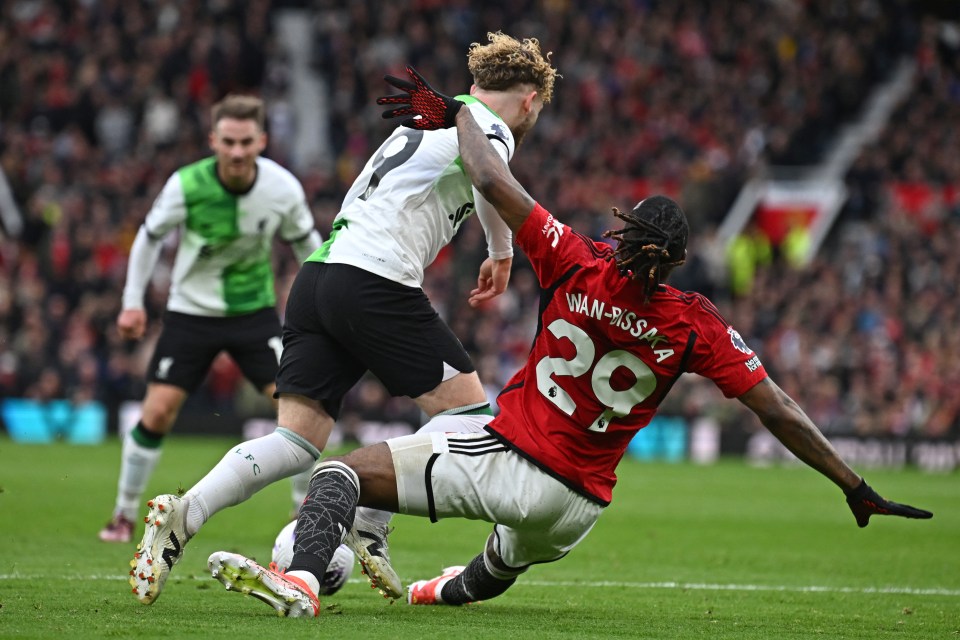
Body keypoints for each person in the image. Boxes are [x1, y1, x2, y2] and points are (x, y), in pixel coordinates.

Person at [203, 67, 933, 618]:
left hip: (512, 460)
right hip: (581, 505)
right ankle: (427, 594)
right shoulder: (695, 320)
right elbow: (774, 407)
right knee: (490, 570)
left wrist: (460, 107)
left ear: (623, 235)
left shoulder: (575, 257)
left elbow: (488, 174)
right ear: (674, 261)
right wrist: (853, 484)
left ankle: (300, 578)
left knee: (337, 476)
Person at [129, 34, 559, 605]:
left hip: (318, 278)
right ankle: (368, 522)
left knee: (294, 440)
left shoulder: (427, 122)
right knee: (468, 417)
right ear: (529, 101)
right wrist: (504, 253)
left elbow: (464, 177)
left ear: (476, 84)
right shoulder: (489, 129)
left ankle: (185, 513)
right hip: (375, 280)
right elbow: (489, 179)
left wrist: (495, 249)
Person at [99, 94, 321, 544]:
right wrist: (132, 301)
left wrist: (324, 305)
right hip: (190, 313)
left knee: (301, 404)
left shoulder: (281, 189)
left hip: (253, 315)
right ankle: (122, 515)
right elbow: (148, 237)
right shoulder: (186, 184)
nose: (237, 152)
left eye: (245, 142)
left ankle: (305, 511)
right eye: (228, 142)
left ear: (261, 139)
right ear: (212, 140)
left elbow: (310, 250)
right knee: (158, 412)